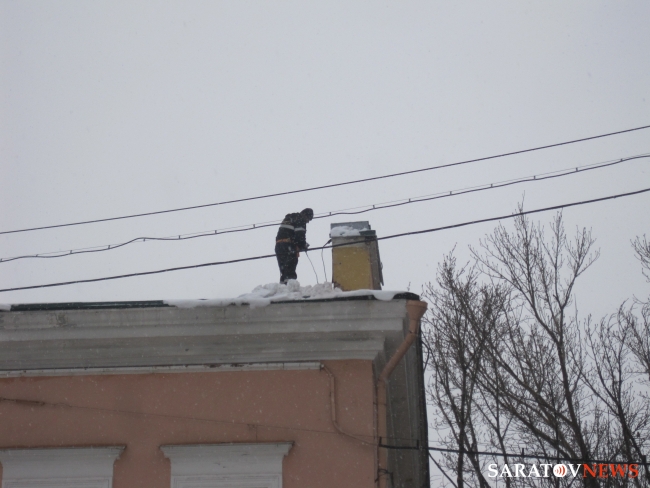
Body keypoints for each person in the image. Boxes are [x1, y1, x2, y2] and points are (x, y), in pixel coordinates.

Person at [275, 208, 314, 284]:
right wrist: (303, 245)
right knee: (290, 269)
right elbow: (300, 236)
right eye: (309, 219)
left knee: (284, 270)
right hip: (288, 246)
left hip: (279, 246)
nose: (308, 222)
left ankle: (283, 286)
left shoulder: (289, 218)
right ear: (306, 215)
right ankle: (290, 286)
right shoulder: (300, 219)